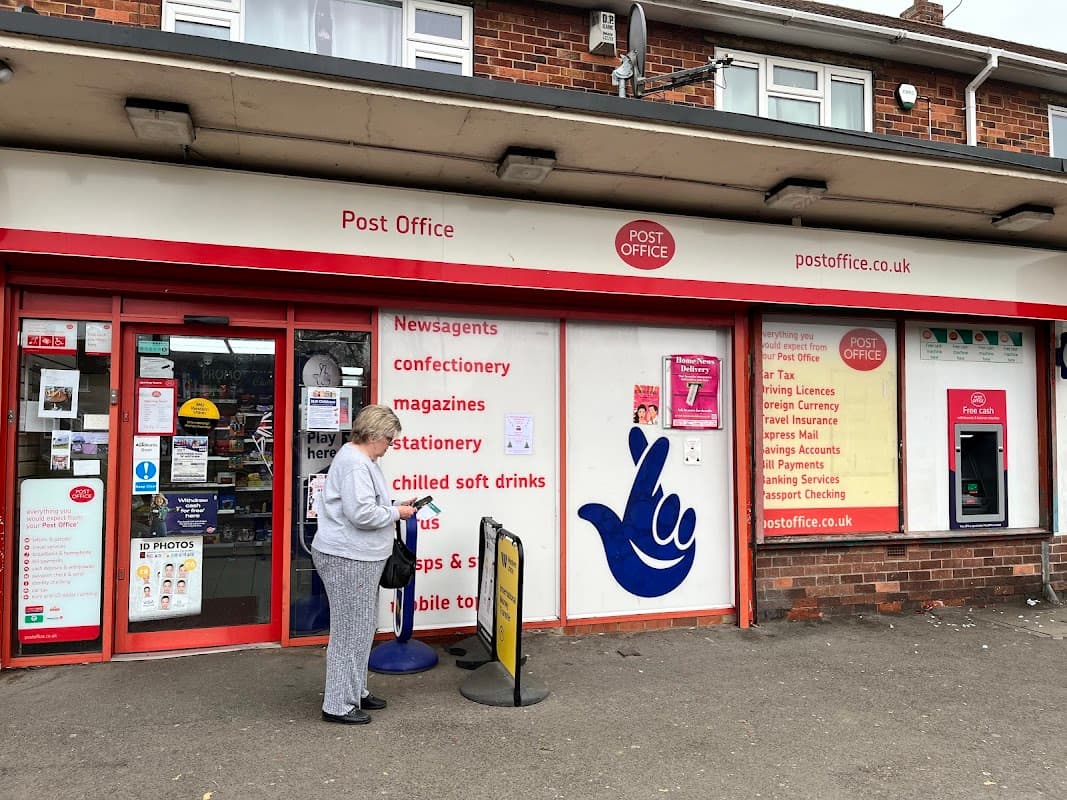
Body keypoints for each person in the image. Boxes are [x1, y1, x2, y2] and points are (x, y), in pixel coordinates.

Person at [311, 404, 416, 725]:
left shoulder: (357, 458)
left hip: (357, 556)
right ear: (373, 435)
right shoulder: (357, 464)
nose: (389, 447)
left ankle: (354, 691)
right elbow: (362, 515)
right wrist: (396, 513)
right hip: (348, 556)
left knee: (362, 626)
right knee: (349, 631)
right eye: (389, 440)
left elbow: (364, 505)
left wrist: (394, 505)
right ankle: (338, 704)